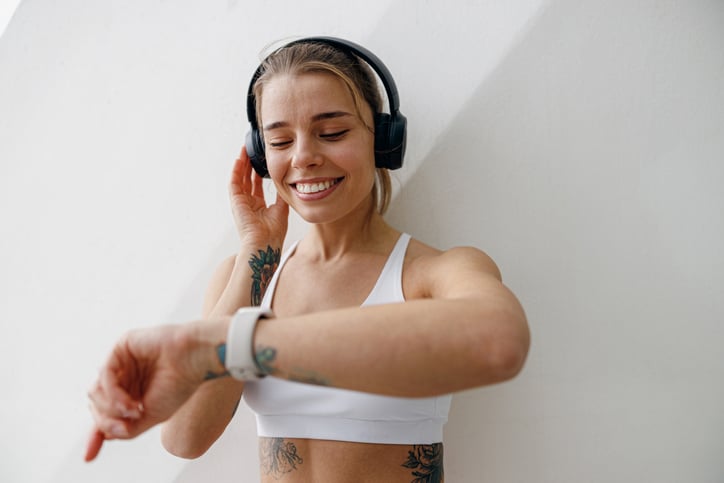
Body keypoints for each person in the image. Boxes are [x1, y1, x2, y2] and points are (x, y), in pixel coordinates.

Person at [85, 37, 530, 482]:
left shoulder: (433, 274)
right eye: (279, 140)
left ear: (383, 139)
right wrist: (256, 257)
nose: (303, 157)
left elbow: (498, 340)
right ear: (261, 155)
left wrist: (233, 347)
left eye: (332, 133)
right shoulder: (244, 278)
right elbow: (184, 439)